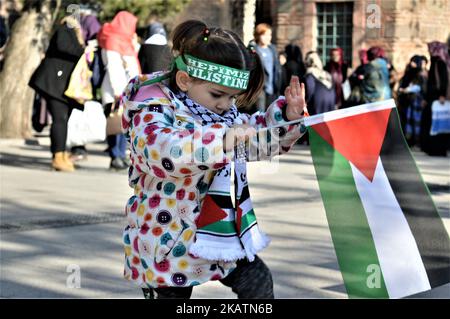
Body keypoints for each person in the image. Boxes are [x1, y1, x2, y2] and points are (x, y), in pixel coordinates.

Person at [119, 20, 308, 299]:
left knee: (258, 284)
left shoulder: (223, 115)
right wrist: (222, 141)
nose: (225, 105)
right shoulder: (152, 106)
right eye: (217, 94)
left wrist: (287, 119)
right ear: (185, 80)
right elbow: (163, 151)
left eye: (233, 97)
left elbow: (254, 138)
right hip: (168, 239)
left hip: (221, 233)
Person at [29, 16, 85, 172]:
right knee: (60, 119)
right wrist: (84, 50)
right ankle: (58, 156)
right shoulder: (64, 31)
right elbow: (63, 47)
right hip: (52, 82)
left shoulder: (71, 33)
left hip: (59, 85)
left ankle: (60, 154)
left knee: (62, 119)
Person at [98, 11, 141, 170]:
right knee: (115, 121)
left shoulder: (125, 41)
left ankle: (121, 155)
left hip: (128, 89)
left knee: (125, 124)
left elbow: (132, 60)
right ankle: (115, 155)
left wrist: (134, 42)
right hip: (115, 89)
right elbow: (113, 67)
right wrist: (119, 92)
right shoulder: (112, 40)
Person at [69, 13, 102, 162]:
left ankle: (78, 148)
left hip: (82, 84)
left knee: (78, 114)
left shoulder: (89, 25)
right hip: (82, 83)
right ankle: (77, 147)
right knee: (77, 114)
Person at [420, 41, 450, 156]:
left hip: (437, 98)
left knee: (436, 123)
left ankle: (437, 149)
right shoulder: (436, 62)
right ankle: (433, 148)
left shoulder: (439, 62)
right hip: (432, 97)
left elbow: (443, 80)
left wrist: (442, 94)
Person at [397, 55, 428, 146]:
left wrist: (406, 90)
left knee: (416, 120)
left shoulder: (421, 74)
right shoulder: (410, 72)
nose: (412, 63)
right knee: (408, 120)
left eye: (414, 62)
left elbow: (419, 87)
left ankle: (416, 140)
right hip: (408, 100)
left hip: (417, 100)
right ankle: (409, 140)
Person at [252, 23, 282, 111]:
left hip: (273, 87)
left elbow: (275, 67)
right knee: (260, 114)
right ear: (258, 35)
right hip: (260, 88)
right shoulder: (253, 50)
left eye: (269, 35)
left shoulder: (272, 49)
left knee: (272, 114)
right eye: (264, 35)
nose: (267, 37)